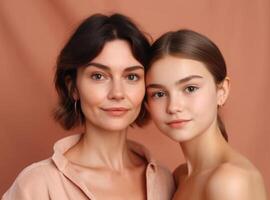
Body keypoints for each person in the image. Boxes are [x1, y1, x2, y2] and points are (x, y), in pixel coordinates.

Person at [2, 13, 174, 200]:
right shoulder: (38, 184)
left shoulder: (165, 180)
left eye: (131, 77)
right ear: (73, 87)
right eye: (98, 76)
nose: (117, 93)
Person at [145, 29, 267, 200]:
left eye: (190, 88)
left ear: (221, 91)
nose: (173, 107)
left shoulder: (230, 181)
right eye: (159, 94)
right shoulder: (180, 177)